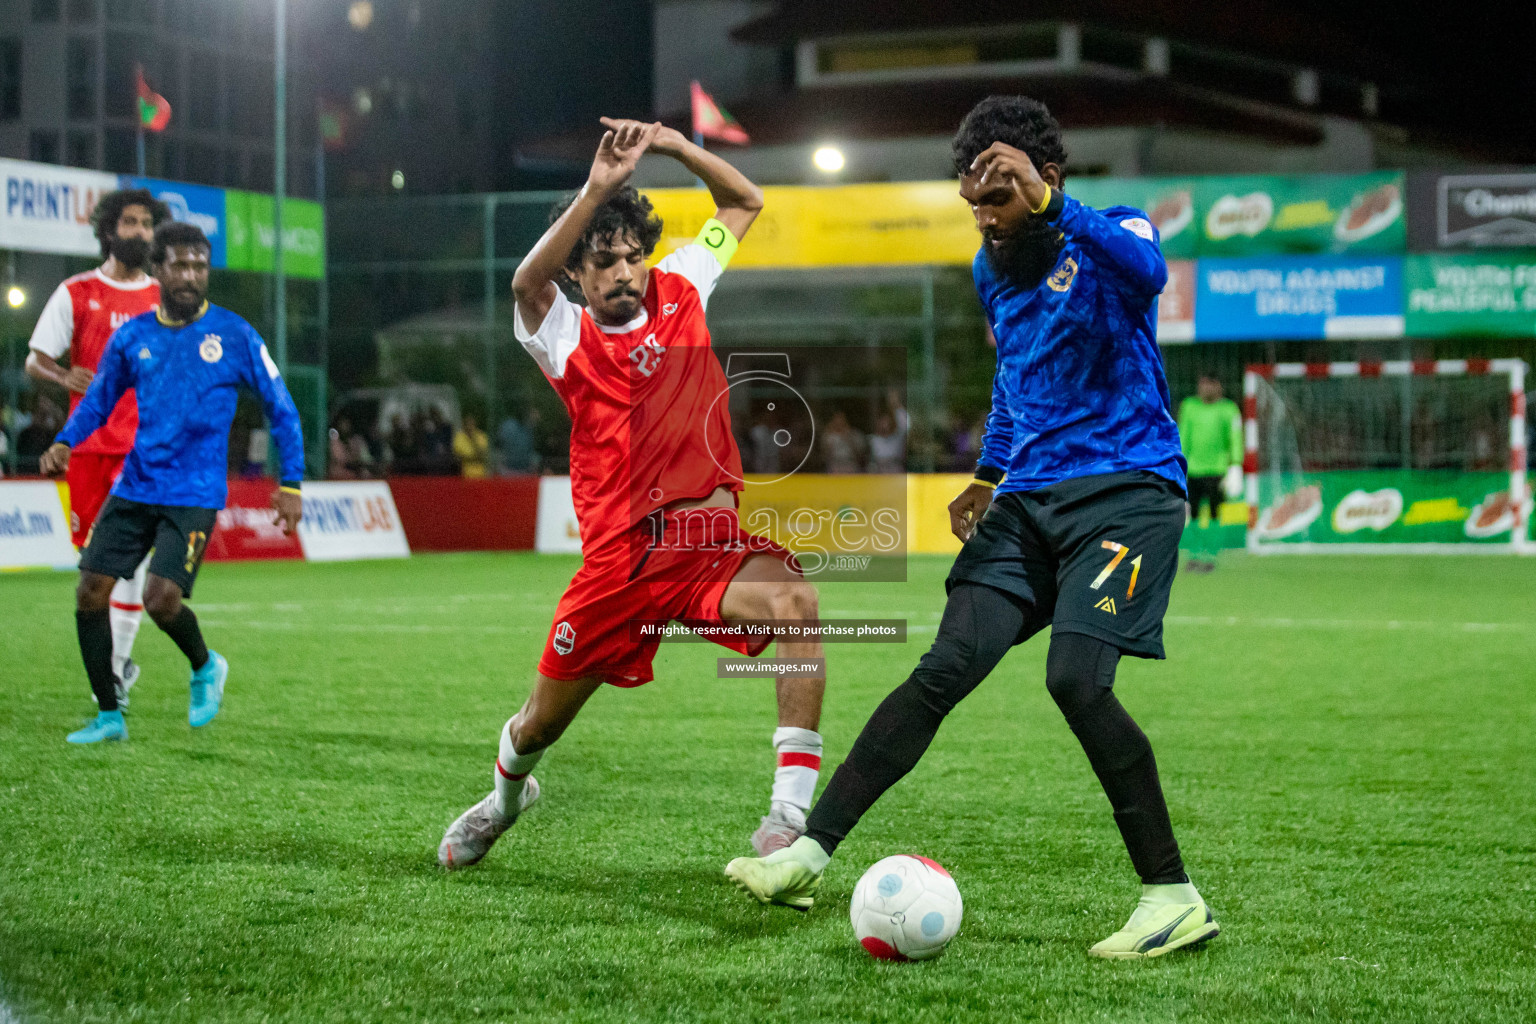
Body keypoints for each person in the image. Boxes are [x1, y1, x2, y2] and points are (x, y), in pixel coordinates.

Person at [725, 95, 1219, 961]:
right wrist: (988, 475)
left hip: (1127, 491)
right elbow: (1015, 382)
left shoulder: (1111, 229)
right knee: (942, 669)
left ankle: (1171, 895)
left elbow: (1148, 275)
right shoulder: (991, 270)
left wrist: (1058, 207)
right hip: (1026, 501)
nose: (987, 218)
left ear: (1046, 181)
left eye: (1002, 196)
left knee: (1077, 680)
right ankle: (807, 854)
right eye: (976, 202)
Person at [438, 118, 827, 868]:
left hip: (707, 548)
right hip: (618, 566)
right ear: (578, 279)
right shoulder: (565, 338)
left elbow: (743, 201)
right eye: (603, 263)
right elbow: (525, 282)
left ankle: (787, 815)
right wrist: (596, 190)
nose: (623, 272)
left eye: (630, 256)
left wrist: (678, 150)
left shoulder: (683, 287)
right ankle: (503, 802)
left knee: (797, 602)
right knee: (536, 729)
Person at [40, 222, 305, 745]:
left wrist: (291, 482)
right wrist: (67, 440)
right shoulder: (134, 337)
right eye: (180, 265)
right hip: (136, 485)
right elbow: (98, 401)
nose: (190, 276)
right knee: (90, 591)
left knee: (160, 599)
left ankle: (205, 667)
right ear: (157, 268)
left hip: (194, 492)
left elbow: (282, 410)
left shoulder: (235, 335)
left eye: (199, 266)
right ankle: (109, 715)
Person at [26, 188, 170, 703]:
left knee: (131, 560)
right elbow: (35, 359)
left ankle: (116, 667)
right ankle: (113, 667)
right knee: (95, 565)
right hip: (88, 448)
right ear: (108, 230)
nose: (139, 232)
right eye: (129, 222)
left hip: (144, 450)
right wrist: (65, 376)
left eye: (147, 224)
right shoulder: (76, 291)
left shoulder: (163, 297)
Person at [1177, 375, 1242, 572]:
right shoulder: (1189, 407)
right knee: (1193, 513)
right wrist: (1179, 465)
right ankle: (1195, 554)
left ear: (1218, 386)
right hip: (1194, 469)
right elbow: (1182, 435)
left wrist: (1236, 465)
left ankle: (1210, 555)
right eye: (1202, 384)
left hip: (1218, 470)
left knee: (1215, 513)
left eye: (1210, 385)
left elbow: (1235, 437)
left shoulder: (1228, 409)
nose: (1205, 389)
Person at [453, 413, 491, 478]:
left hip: (481, 475)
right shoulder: (459, 437)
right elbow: (458, 457)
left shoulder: (481, 436)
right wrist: (475, 457)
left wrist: (473, 439)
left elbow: (483, 455)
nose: (469, 426)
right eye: (467, 424)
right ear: (464, 425)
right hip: (465, 475)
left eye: (471, 424)